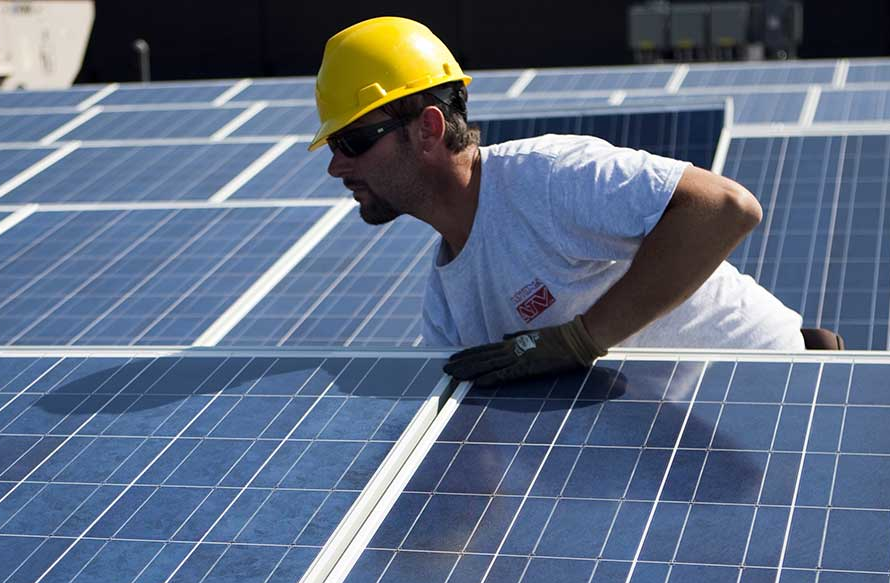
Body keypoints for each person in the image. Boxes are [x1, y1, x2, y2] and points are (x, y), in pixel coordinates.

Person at [308, 16, 811, 387]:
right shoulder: (448, 306)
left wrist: (582, 339)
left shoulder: (547, 178)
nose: (337, 166)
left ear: (428, 130)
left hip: (774, 392)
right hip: (683, 444)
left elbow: (724, 209)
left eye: (352, 142)